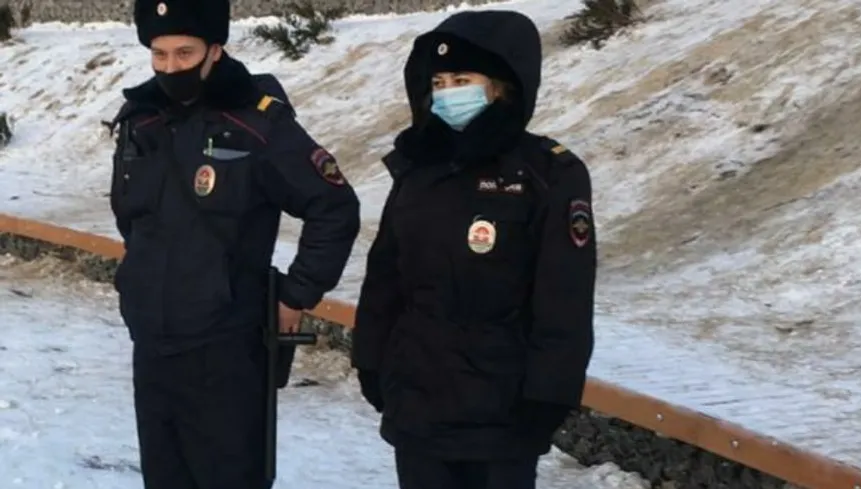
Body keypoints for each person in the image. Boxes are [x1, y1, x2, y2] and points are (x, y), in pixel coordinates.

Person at [107, 1, 361, 488]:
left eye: (185, 53)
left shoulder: (256, 123)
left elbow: (334, 207)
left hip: (226, 348)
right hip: (153, 344)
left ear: (215, 50)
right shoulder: (142, 120)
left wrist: (297, 293)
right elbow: (132, 218)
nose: (170, 68)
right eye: (159, 54)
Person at [350, 9, 597, 489]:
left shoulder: (548, 174)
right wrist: (371, 359)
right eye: (439, 82)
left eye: (462, 80)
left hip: (502, 412)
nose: (447, 93)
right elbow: (385, 277)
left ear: (502, 88)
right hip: (417, 403)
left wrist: (550, 393)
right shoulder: (418, 167)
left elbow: (564, 297)